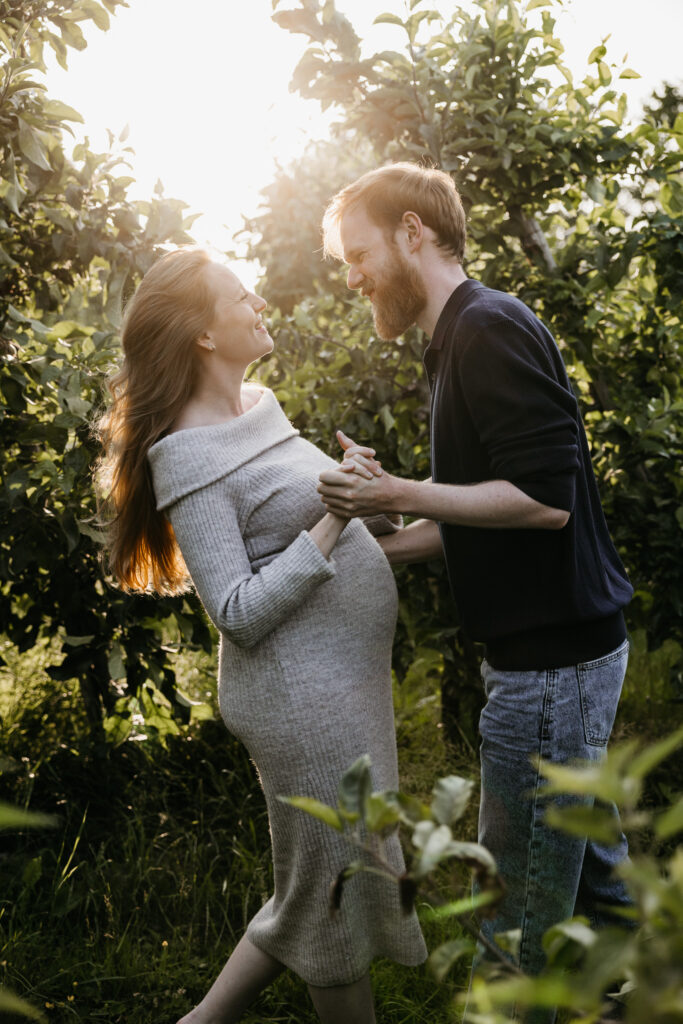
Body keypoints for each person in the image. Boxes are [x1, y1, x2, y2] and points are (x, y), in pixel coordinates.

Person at [316, 162, 634, 1020]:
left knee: (515, 926)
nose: (350, 278)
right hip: (555, 660)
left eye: (357, 254)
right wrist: (366, 538)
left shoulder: (486, 328)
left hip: (548, 672)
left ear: (413, 231)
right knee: (597, 893)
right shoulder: (456, 336)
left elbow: (544, 505)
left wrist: (396, 494)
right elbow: (477, 514)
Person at [95, 247, 427, 1024]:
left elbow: (307, 525)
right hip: (295, 698)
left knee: (316, 885)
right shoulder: (186, 454)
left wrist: (366, 498)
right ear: (204, 334)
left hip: (345, 685)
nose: (260, 306)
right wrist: (336, 515)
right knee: (333, 893)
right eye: (241, 297)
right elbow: (237, 611)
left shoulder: (259, 410)